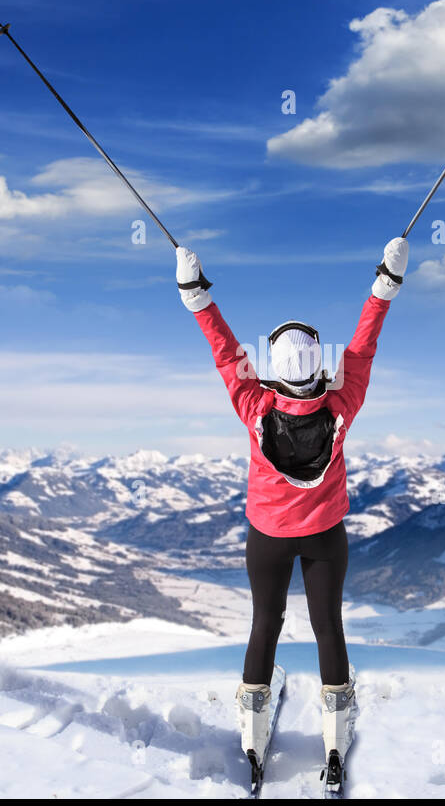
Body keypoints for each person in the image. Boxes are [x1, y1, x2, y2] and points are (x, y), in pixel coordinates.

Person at [175, 236, 408, 778]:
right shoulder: (342, 405)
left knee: (265, 624)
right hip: (326, 535)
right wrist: (384, 287)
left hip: (267, 537)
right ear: (317, 367)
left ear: (276, 369)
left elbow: (225, 352)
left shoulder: (254, 405)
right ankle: (334, 738)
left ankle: (254, 737)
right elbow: (362, 348)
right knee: (328, 626)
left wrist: (196, 295)